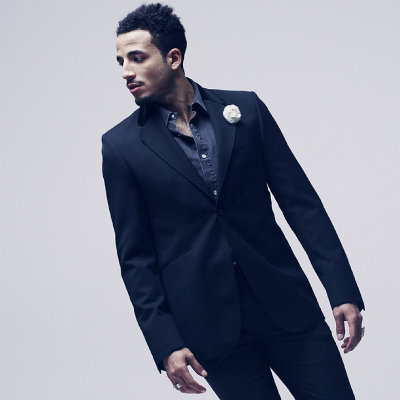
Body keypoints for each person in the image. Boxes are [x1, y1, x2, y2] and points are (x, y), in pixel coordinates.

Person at [102, 3, 364, 399]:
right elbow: (135, 259)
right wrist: (166, 343)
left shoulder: (247, 110)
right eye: (121, 61)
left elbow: (302, 204)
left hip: (287, 306)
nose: (126, 71)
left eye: (137, 58)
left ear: (173, 58)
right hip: (211, 328)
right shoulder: (121, 147)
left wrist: (342, 289)